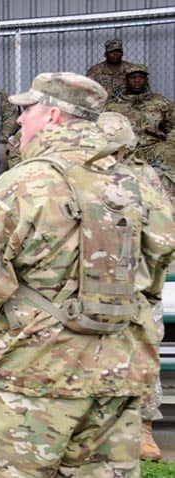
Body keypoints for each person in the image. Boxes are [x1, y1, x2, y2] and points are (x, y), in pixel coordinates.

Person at [0, 72, 175, 476]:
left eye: (26, 110)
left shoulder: (20, 186)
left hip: (29, 383)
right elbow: (154, 272)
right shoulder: (143, 188)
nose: (18, 121)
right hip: (118, 380)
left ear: (54, 116)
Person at [97, 111, 170, 461]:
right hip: (94, 287)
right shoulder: (84, 177)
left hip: (136, 286)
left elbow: (163, 236)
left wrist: (146, 282)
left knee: (143, 355)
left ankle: (144, 427)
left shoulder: (144, 178)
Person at [105, 64, 175, 165]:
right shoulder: (112, 106)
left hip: (153, 148)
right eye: (133, 77)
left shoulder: (160, 102)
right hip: (123, 150)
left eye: (141, 77)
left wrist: (169, 142)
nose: (137, 81)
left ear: (146, 80)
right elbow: (99, 129)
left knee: (170, 153)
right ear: (126, 81)